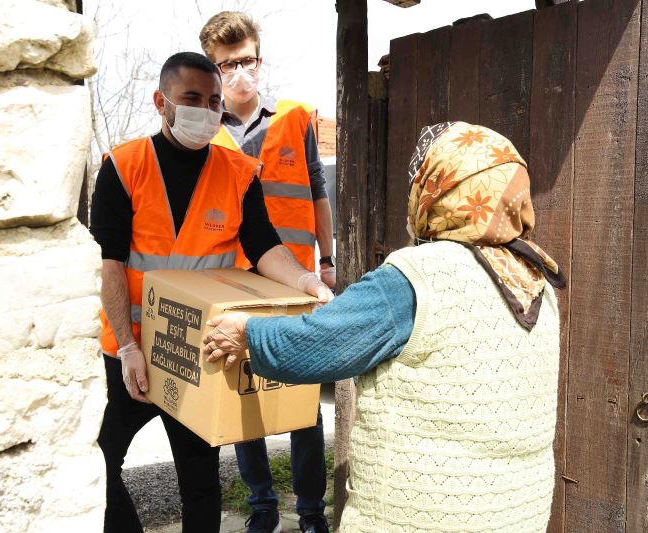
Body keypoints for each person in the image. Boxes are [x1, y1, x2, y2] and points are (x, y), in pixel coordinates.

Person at [203, 122, 567, 532]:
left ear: (437, 190)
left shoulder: (416, 277)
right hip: (519, 513)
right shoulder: (536, 279)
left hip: (423, 519)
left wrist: (247, 331)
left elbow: (314, 345)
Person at [89, 51, 333, 533]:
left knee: (200, 481)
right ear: (162, 101)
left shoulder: (239, 171)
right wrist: (132, 345)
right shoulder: (123, 166)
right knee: (99, 463)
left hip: (198, 347)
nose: (207, 108)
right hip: (129, 350)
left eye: (214, 100)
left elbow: (264, 246)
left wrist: (306, 280)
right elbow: (110, 263)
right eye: (192, 98)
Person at [198, 12, 333, 533]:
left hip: (297, 277)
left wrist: (325, 260)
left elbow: (317, 193)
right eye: (226, 64)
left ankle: (310, 512)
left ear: (261, 58)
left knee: (304, 401)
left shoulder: (296, 119)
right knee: (243, 397)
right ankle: (261, 508)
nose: (239, 72)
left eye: (246, 60)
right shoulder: (204, 133)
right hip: (234, 279)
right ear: (212, 68)